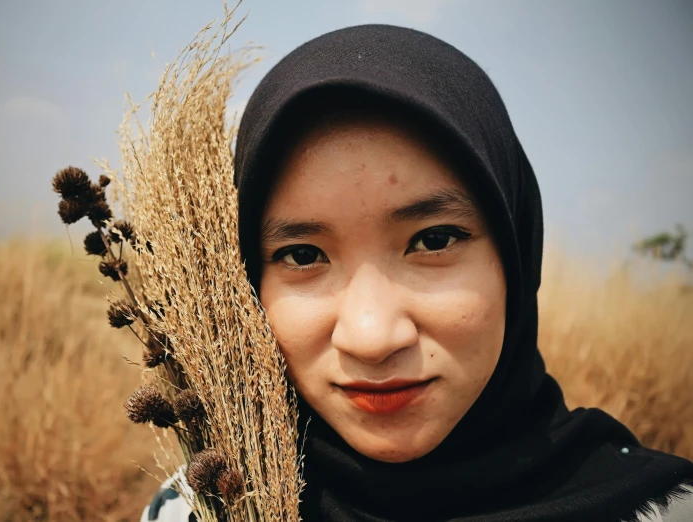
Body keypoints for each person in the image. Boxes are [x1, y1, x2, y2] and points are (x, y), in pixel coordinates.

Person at [141, 25, 693, 522]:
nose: (372, 337)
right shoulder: (199, 509)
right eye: (303, 254)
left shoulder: (665, 510)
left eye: (433, 241)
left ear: (516, 255)